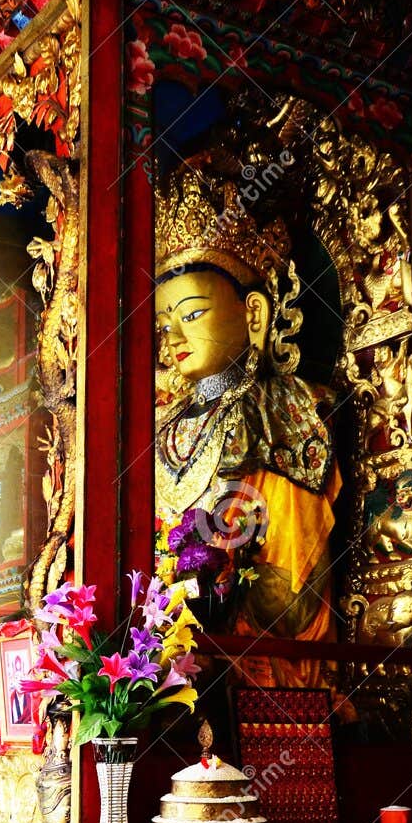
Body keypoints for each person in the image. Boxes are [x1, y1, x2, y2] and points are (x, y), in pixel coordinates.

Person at [154, 156, 341, 685]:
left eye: (191, 314)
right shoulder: (168, 425)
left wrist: (212, 587)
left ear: (254, 315)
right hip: (176, 661)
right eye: (164, 323)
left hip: (255, 670)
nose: (172, 338)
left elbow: (294, 594)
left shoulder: (279, 411)